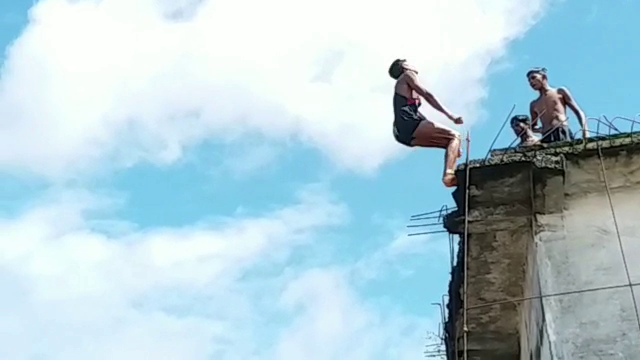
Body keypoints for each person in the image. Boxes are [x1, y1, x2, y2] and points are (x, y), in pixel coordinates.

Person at [389, 59, 464, 187]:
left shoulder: (404, 87)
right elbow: (428, 95)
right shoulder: (407, 75)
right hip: (408, 124)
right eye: (409, 62)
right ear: (404, 66)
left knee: (453, 146)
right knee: (454, 136)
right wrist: (451, 116)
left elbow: (410, 110)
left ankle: (452, 175)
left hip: (402, 133)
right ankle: (449, 175)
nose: (414, 64)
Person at [527, 67, 588, 143]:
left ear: (544, 77)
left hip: (561, 130)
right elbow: (533, 126)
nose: (531, 82)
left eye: (533, 78)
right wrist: (541, 130)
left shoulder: (559, 92)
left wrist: (585, 130)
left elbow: (578, 111)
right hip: (546, 135)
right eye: (529, 80)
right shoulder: (534, 104)